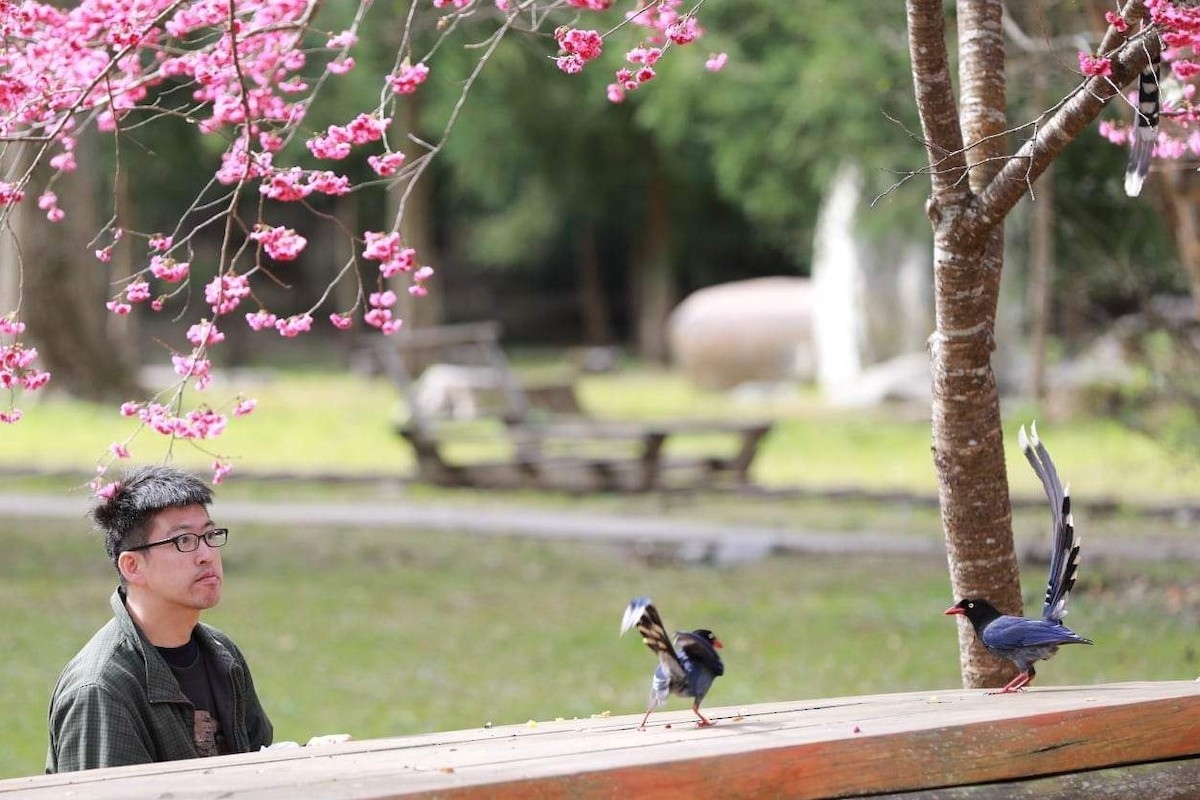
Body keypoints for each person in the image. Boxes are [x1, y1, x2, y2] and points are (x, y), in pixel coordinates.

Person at [46, 465, 273, 773]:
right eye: (183, 541)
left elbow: (259, 769)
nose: (205, 554)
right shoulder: (101, 688)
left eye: (209, 535)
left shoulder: (222, 653)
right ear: (133, 567)